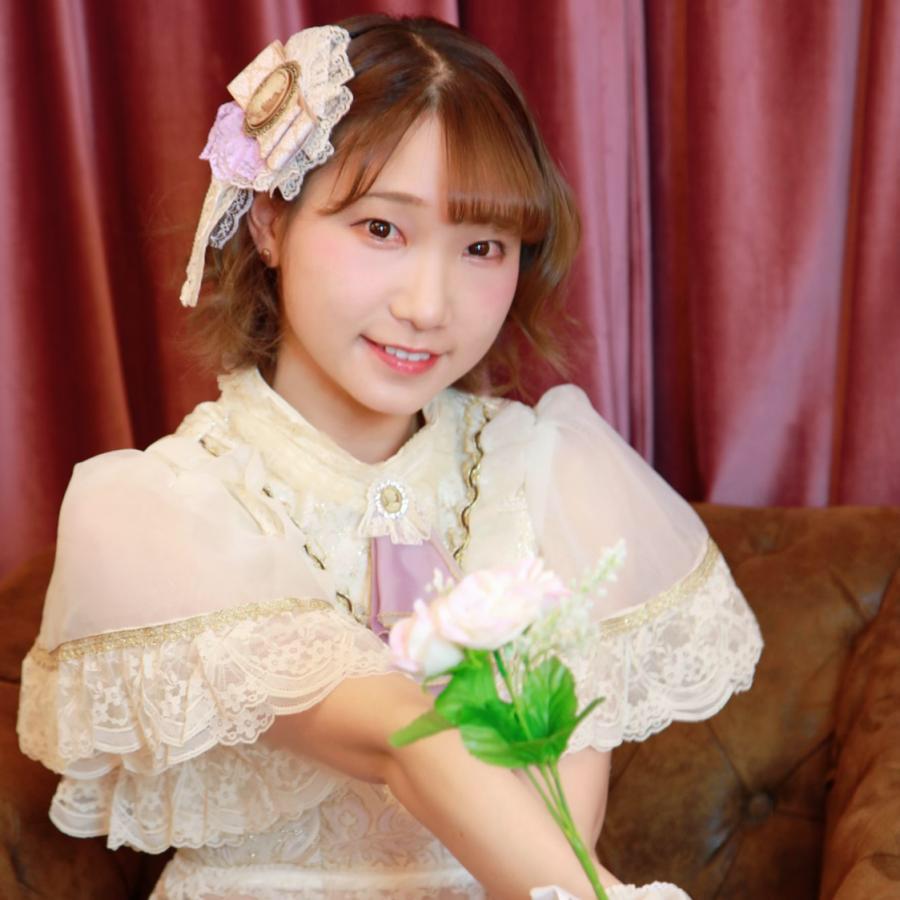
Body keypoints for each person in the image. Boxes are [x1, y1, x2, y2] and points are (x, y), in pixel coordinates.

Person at [16, 15, 763, 900]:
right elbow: (406, 741)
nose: (429, 304)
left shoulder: (554, 476)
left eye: (482, 247)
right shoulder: (162, 513)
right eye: (381, 228)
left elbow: (558, 835)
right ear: (270, 222)